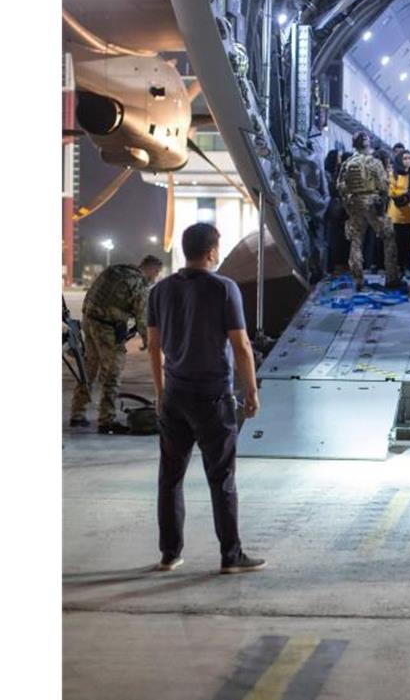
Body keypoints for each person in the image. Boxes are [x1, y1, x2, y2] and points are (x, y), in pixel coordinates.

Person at [146, 223, 266, 573]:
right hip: (212, 397)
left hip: (174, 397)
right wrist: (252, 392)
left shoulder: (160, 290)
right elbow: (241, 346)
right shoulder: (224, 288)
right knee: (221, 478)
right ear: (212, 251)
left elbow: (154, 348)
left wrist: (159, 392)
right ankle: (231, 556)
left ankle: (170, 554)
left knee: (170, 477)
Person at [69, 255, 164, 433]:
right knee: (112, 372)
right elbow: (142, 318)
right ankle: (107, 420)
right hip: (107, 329)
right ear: (151, 269)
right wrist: (148, 341)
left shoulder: (115, 270)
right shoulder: (138, 283)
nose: (155, 277)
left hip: (89, 321)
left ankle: (77, 414)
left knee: (89, 369)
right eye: (156, 273)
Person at [337, 131, 398, 291]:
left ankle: (358, 279)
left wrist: (349, 204)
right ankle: (391, 277)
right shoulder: (374, 163)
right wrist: (383, 204)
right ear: (368, 142)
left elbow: (341, 187)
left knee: (356, 241)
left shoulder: (348, 163)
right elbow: (384, 186)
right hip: (373, 203)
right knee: (388, 236)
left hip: (355, 203)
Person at [388, 148, 410, 277]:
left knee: (409, 244)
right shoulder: (393, 175)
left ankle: (408, 267)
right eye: (404, 158)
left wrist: (407, 194)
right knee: (396, 245)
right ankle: (398, 269)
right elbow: (392, 192)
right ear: (399, 160)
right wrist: (406, 194)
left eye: (409, 158)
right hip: (396, 216)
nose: (407, 161)